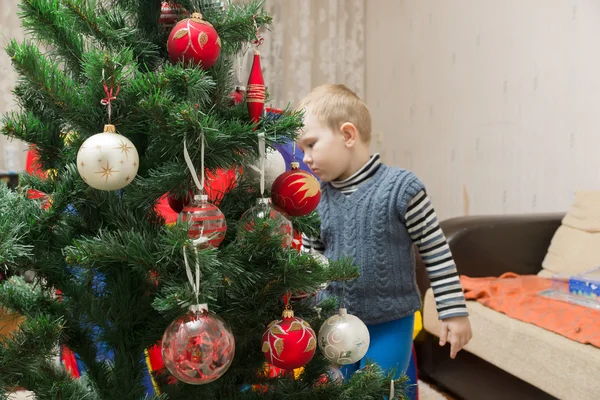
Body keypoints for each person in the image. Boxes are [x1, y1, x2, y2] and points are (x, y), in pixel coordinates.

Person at [296, 84, 472, 379]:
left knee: (381, 389)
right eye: (302, 150)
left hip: (390, 322)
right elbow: (308, 262)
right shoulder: (315, 200)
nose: (306, 158)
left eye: (311, 145)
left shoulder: (402, 189)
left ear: (347, 135)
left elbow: (436, 252)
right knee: (336, 389)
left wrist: (453, 311)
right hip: (333, 323)